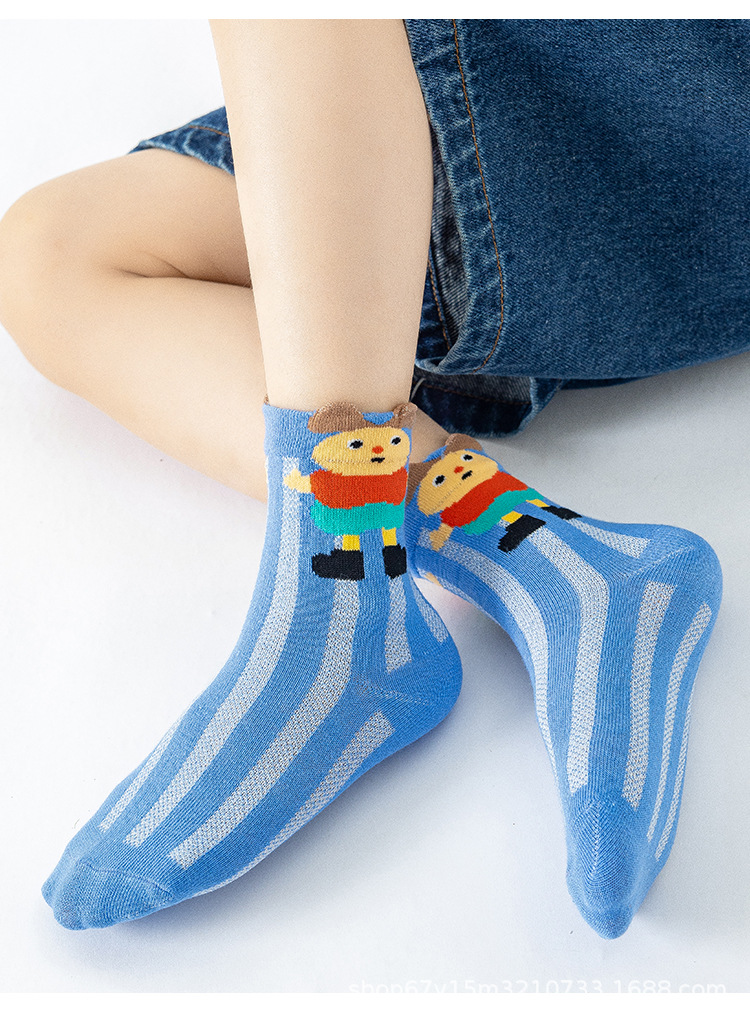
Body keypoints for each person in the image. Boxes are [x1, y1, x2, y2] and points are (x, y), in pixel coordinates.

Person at [0, 19, 744, 940]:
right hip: (621, 151)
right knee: (52, 255)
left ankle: (339, 609)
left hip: (639, 131)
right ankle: (555, 560)